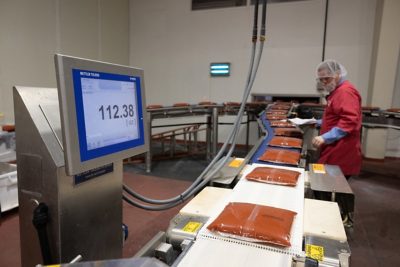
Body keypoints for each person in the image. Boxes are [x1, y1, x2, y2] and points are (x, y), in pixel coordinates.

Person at [312, 60, 362, 179]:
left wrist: (325, 137)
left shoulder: (345, 91)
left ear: (337, 74)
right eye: (321, 79)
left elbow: (349, 120)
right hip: (333, 147)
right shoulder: (336, 91)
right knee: (325, 182)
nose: (324, 82)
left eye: (327, 78)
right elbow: (335, 117)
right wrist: (317, 122)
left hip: (341, 149)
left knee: (332, 187)